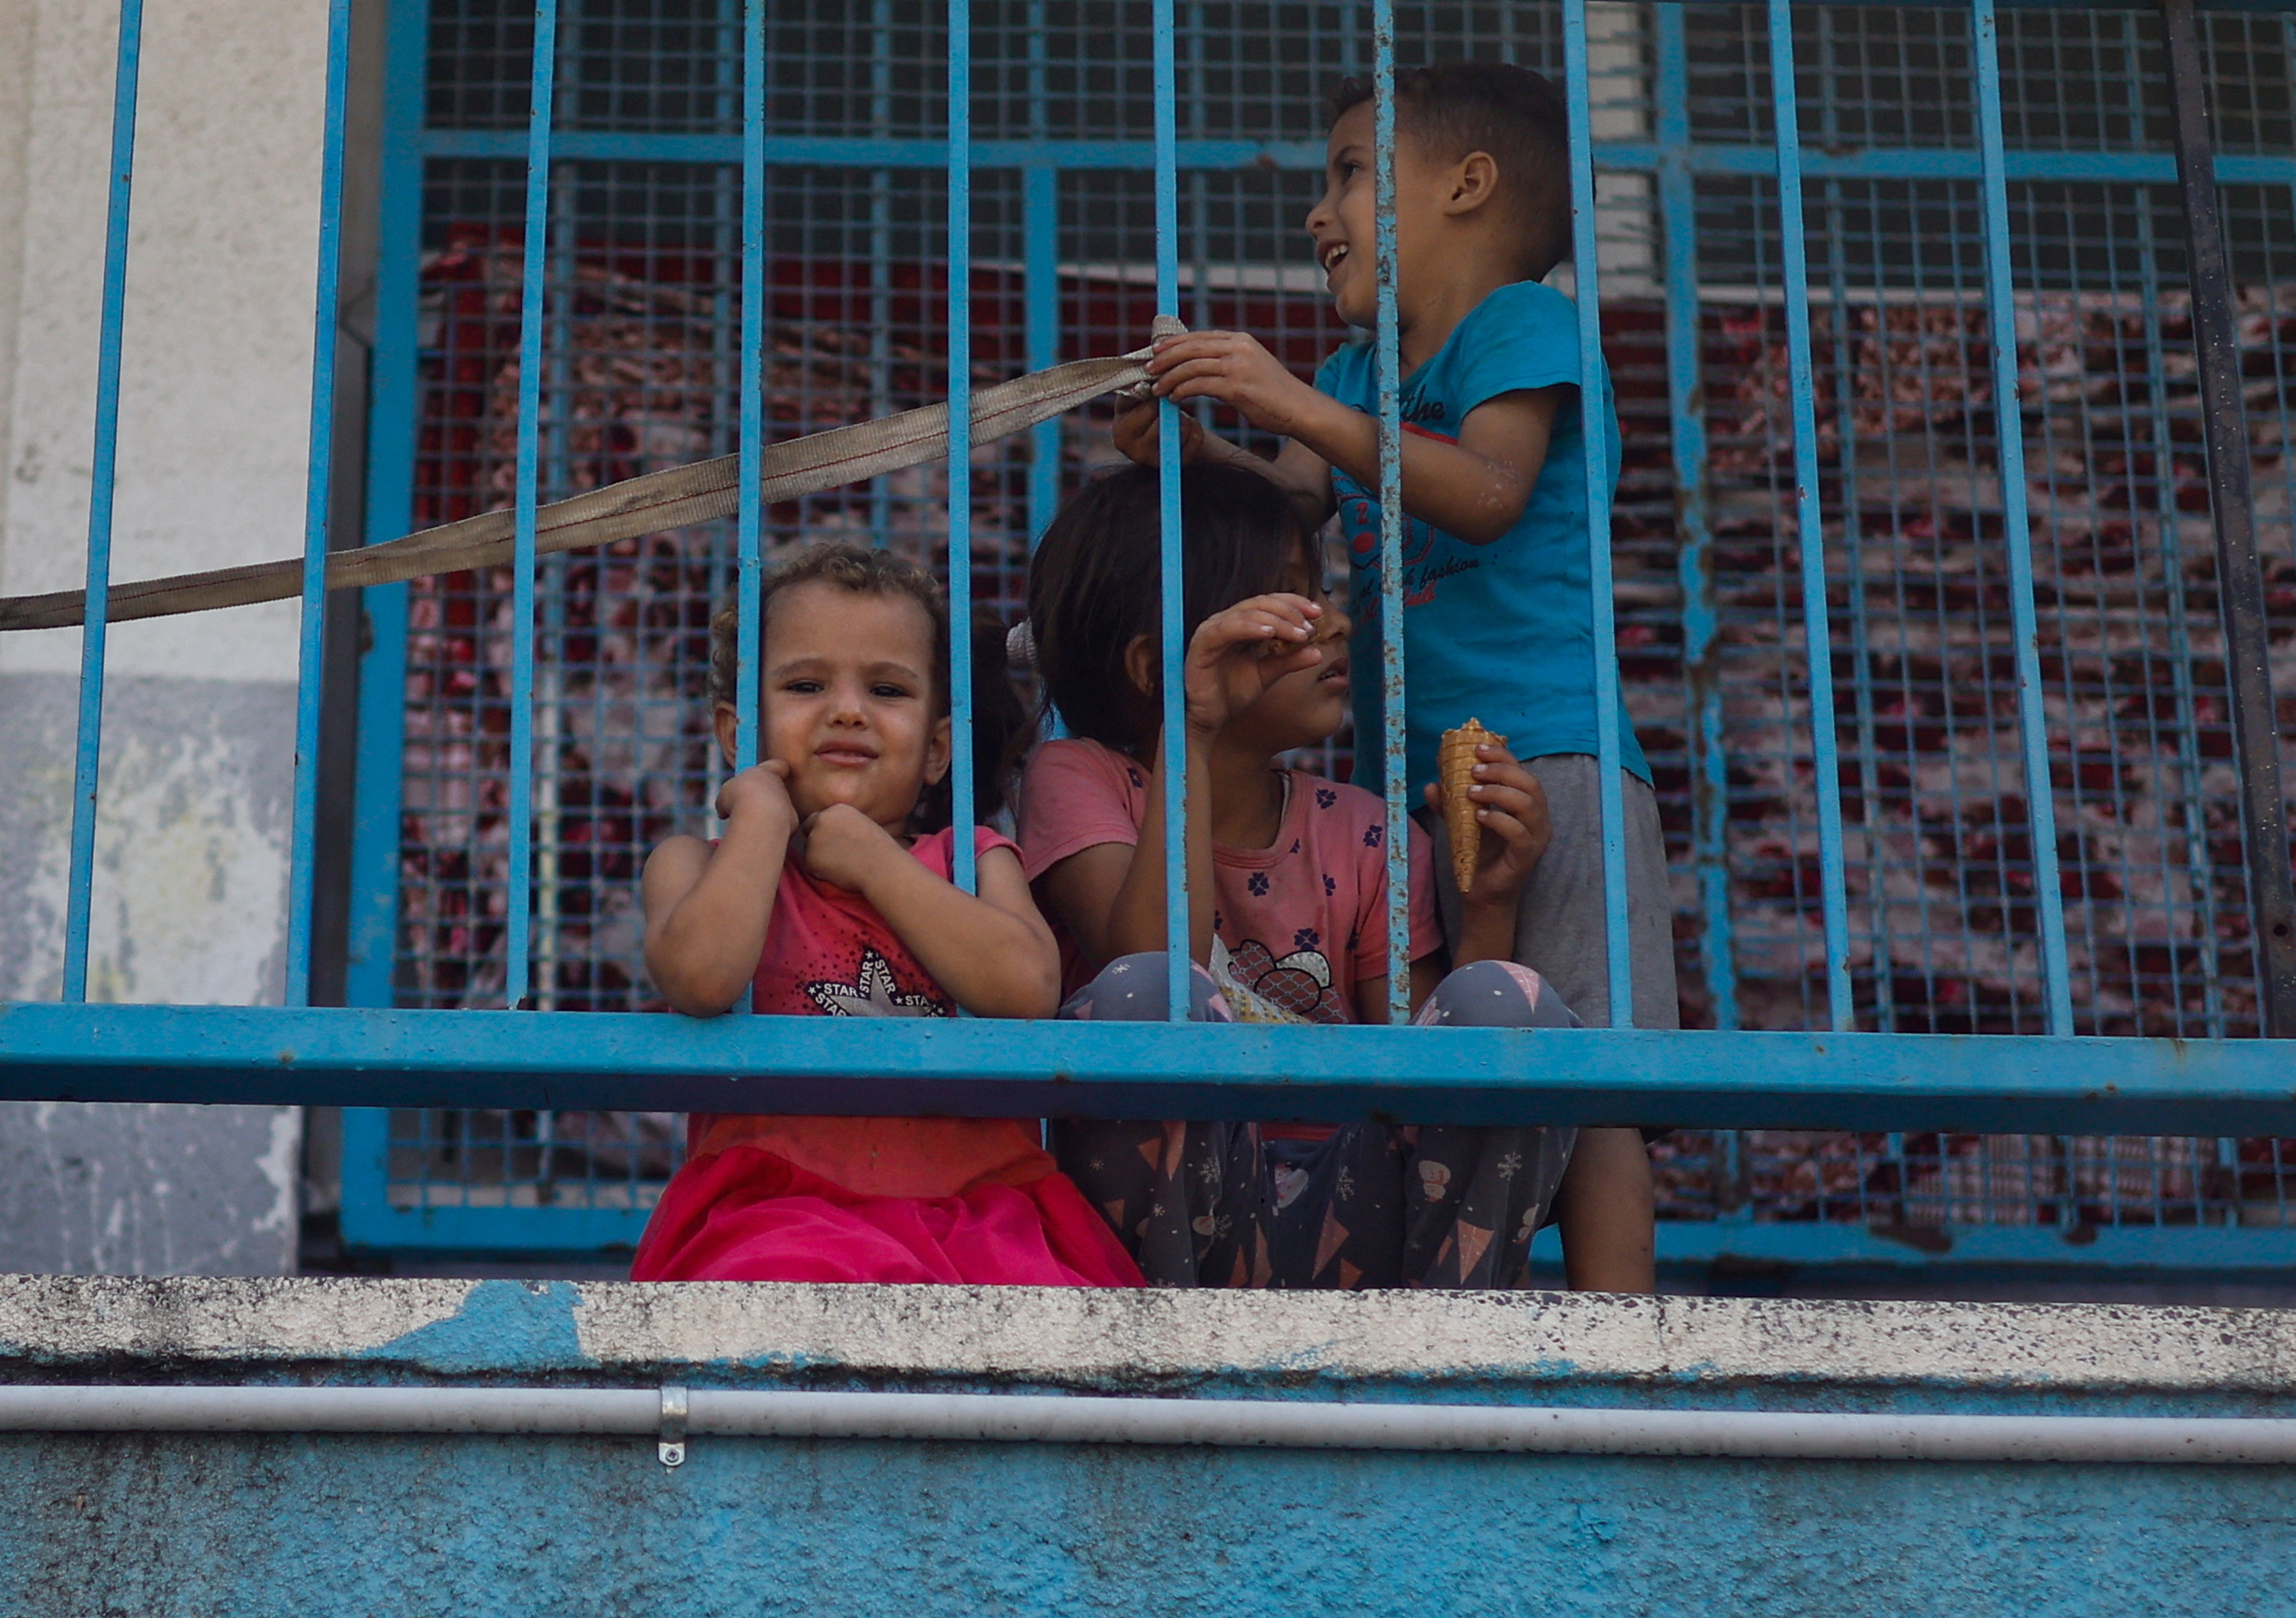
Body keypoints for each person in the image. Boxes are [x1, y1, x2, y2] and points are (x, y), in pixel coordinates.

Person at [1113, 61, 1666, 1289]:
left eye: (1353, 175)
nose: (1319, 211)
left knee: (1589, 1069)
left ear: (1465, 187)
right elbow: (1291, 501)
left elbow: (1482, 489)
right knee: (1432, 1059)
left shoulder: (1522, 321)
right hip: (1401, 782)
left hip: (1550, 756)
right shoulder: (1359, 374)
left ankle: (1628, 1350)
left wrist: (1285, 397)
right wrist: (1196, 437)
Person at [1018, 462, 1638, 1292]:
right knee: (1150, 991)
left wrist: (1489, 902)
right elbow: (1156, 956)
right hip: (1173, 1219)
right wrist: (1189, 726)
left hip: (1347, 1215)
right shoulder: (1079, 778)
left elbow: (1425, 1072)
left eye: (1324, 595)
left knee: (1505, 1003)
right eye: (1290, 602)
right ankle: (1162, 1352)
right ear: (1151, 665)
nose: (1338, 624)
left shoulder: (1364, 828)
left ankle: (1447, 1348)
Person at [629, 543, 1141, 1287]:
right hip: (779, 1207)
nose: (847, 709)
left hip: (978, 1203)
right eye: (806, 684)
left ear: (937, 750)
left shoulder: (972, 860)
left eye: (888, 690)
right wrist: (764, 818)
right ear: (739, 735)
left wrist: (876, 863)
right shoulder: (695, 865)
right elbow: (702, 977)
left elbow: (1028, 985)